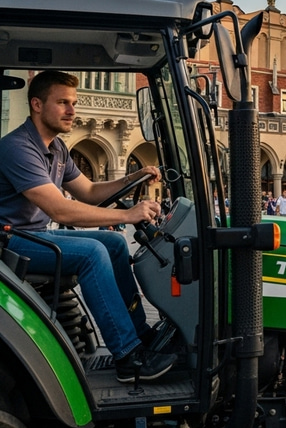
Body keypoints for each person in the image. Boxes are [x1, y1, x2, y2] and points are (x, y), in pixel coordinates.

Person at [0, 70, 177, 383]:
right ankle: (127, 356)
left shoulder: (57, 149)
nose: (72, 110)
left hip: (35, 235)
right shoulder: (18, 147)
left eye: (74, 103)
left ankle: (140, 334)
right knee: (92, 251)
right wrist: (128, 216)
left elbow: (90, 192)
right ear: (37, 105)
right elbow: (61, 210)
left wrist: (132, 178)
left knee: (115, 244)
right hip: (11, 241)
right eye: (63, 103)